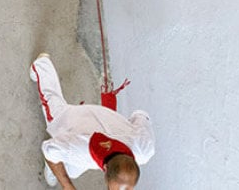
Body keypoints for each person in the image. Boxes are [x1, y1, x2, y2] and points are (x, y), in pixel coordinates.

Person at [29, 53, 155, 189]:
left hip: (104, 118)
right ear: (105, 169)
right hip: (73, 120)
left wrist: (120, 129)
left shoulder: (144, 149)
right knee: (52, 103)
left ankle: (59, 160)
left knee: (71, 170)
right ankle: (41, 65)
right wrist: (67, 186)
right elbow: (48, 148)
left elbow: (140, 115)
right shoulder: (78, 150)